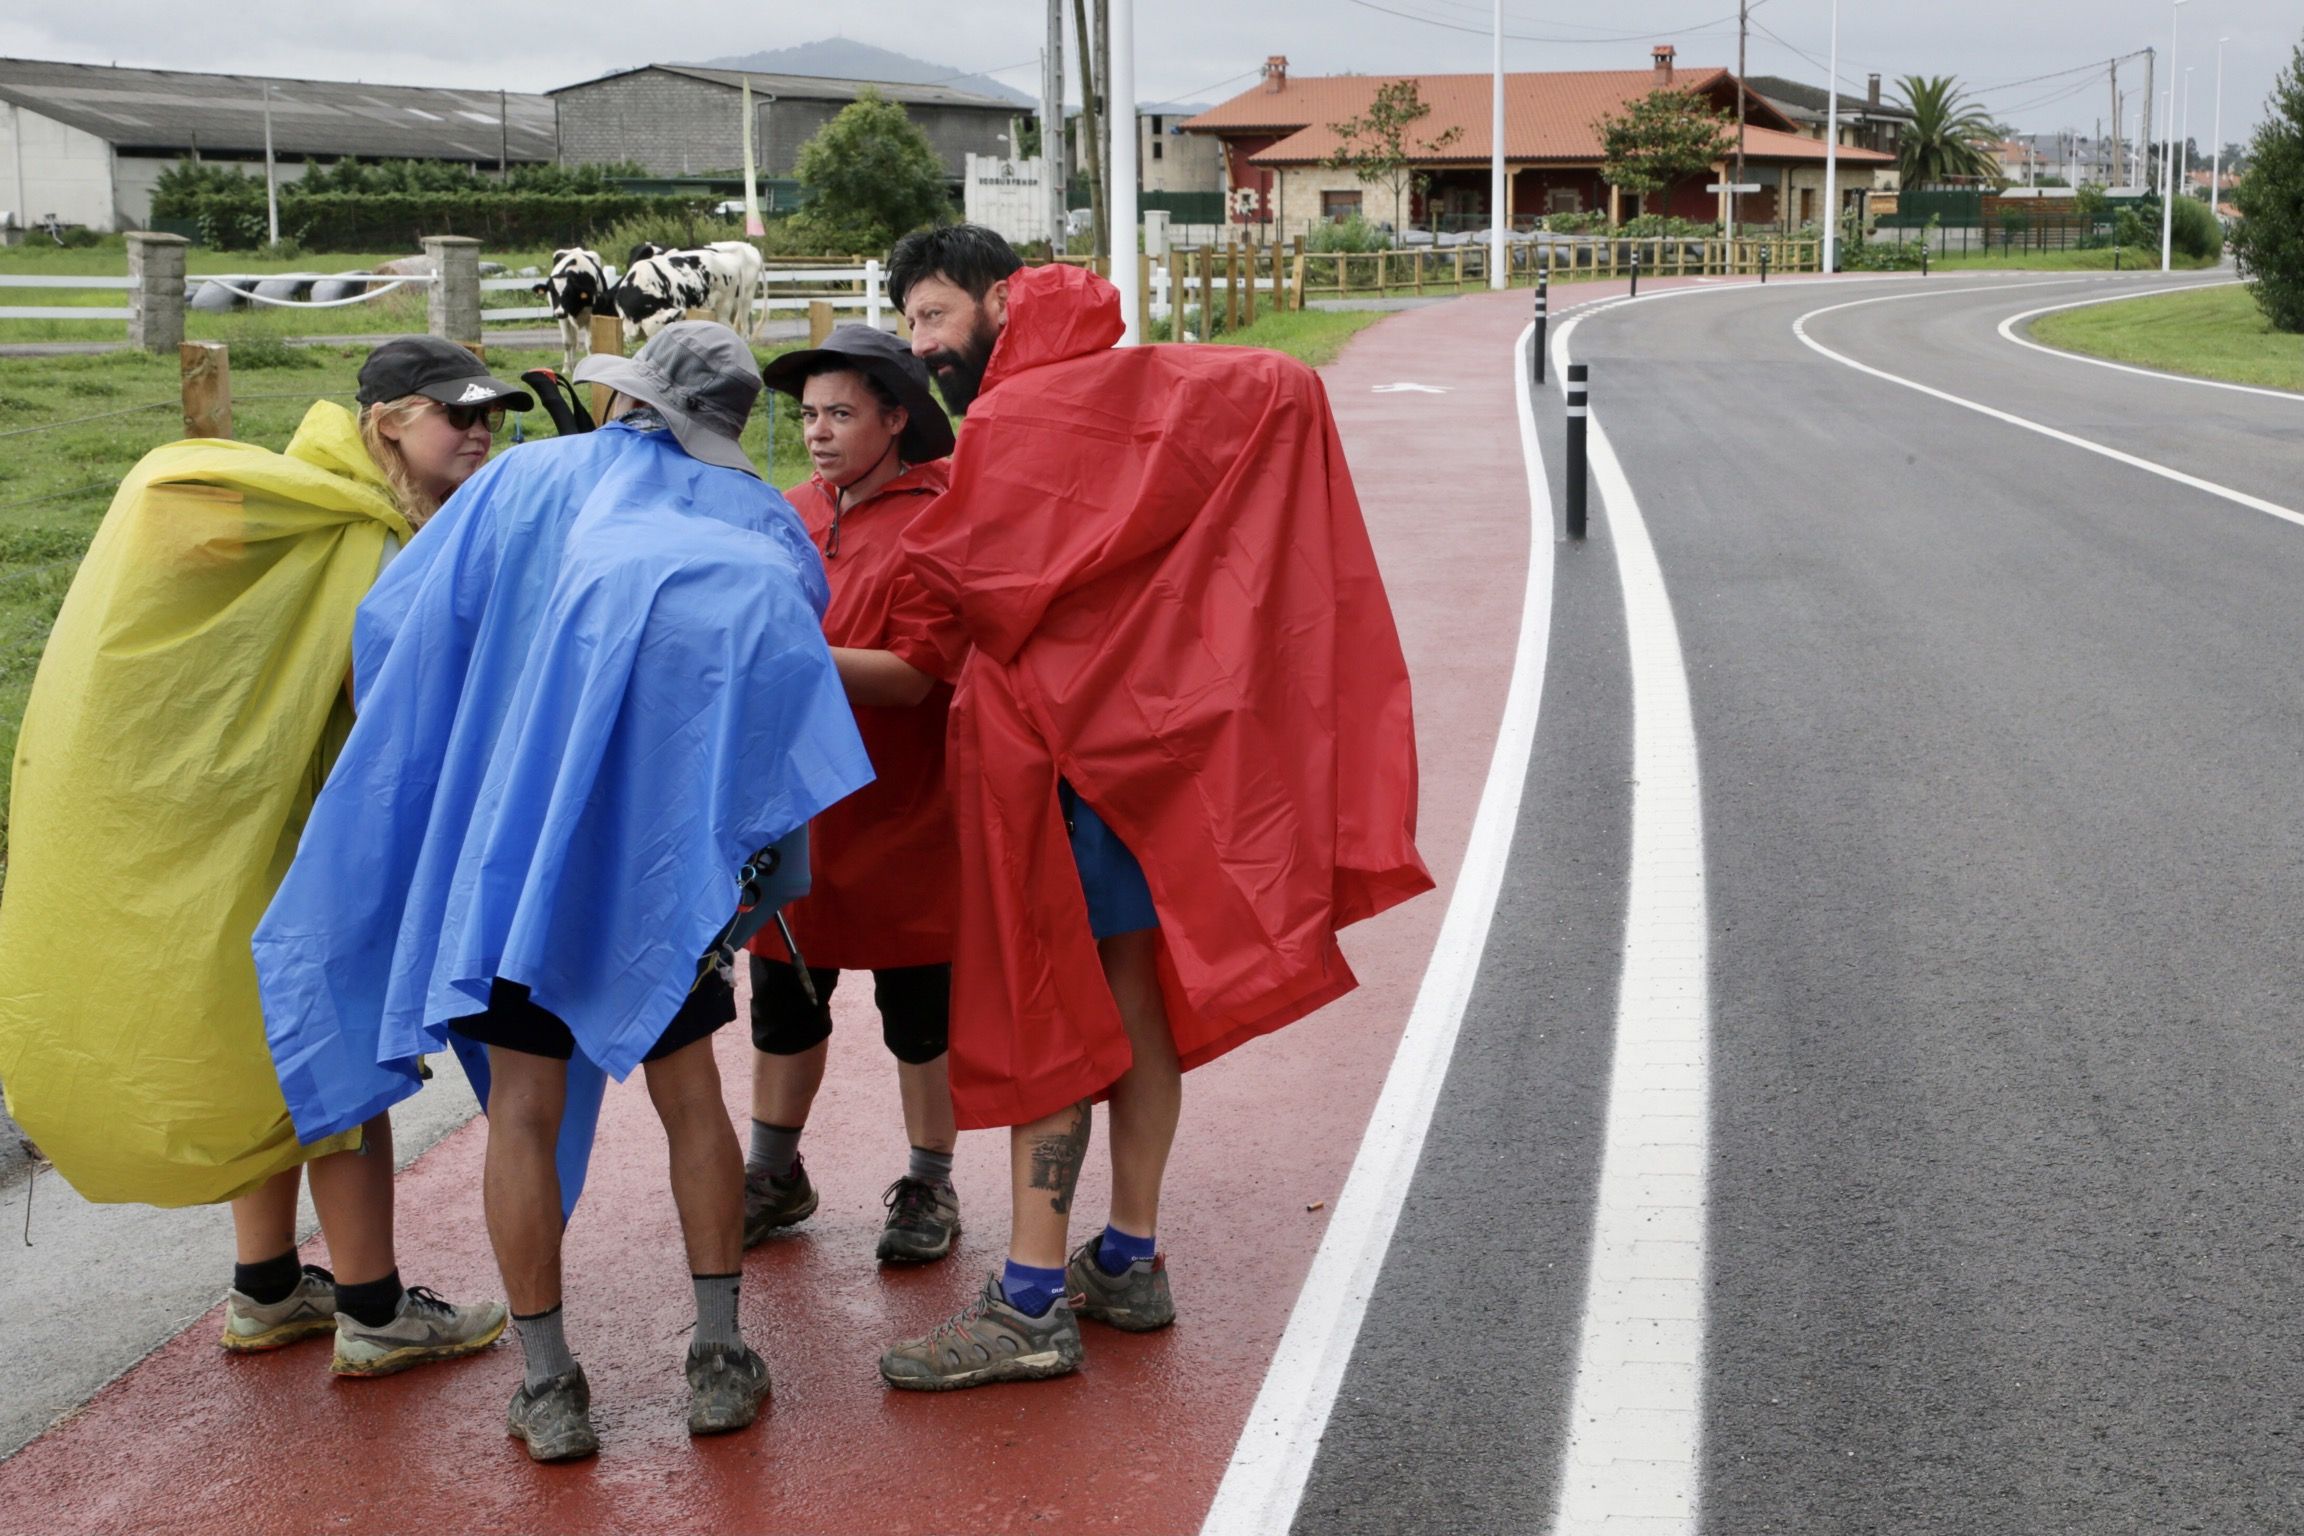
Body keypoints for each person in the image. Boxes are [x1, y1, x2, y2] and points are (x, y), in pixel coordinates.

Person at [251, 322, 873, 1461]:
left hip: (502, 856)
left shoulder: (522, 478)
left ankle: (549, 1386)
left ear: (627, 397)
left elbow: (391, 631)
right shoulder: (755, 520)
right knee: (691, 1098)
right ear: (728, 425)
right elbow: (779, 689)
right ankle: (719, 1360)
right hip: (658, 863)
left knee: (523, 1113)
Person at [873, 226, 1432, 1389]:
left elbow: (981, 584)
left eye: (932, 316)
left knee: (1050, 1002)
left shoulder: (1022, 421)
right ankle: (1129, 1253)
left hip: (1064, 768)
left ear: (997, 300)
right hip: (1141, 762)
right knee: (1129, 1000)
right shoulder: (1151, 390)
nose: (921, 347)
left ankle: (1029, 1300)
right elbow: (1283, 382)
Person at [0, 336, 525, 1376]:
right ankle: (375, 1312)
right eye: (452, 414)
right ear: (386, 424)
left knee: (264, 1061)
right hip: (302, 848)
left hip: (226, 841)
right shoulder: (366, 540)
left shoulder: (286, 505)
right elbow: (381, 714)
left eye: (489, 416)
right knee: (343, 1088)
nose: (477, 431)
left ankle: (268, 1287)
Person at [743, 325, 967, 1264]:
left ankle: (928, 1182)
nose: (819, 433)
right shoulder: (784, 510)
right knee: (784, 1002)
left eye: (841, 413)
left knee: (920, 1021)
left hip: (906, 810)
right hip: (796, 812)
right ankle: (773, 1174)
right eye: (807, 415)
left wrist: (780, 657)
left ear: (897, 418)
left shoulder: (945, 516)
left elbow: (918, 674)